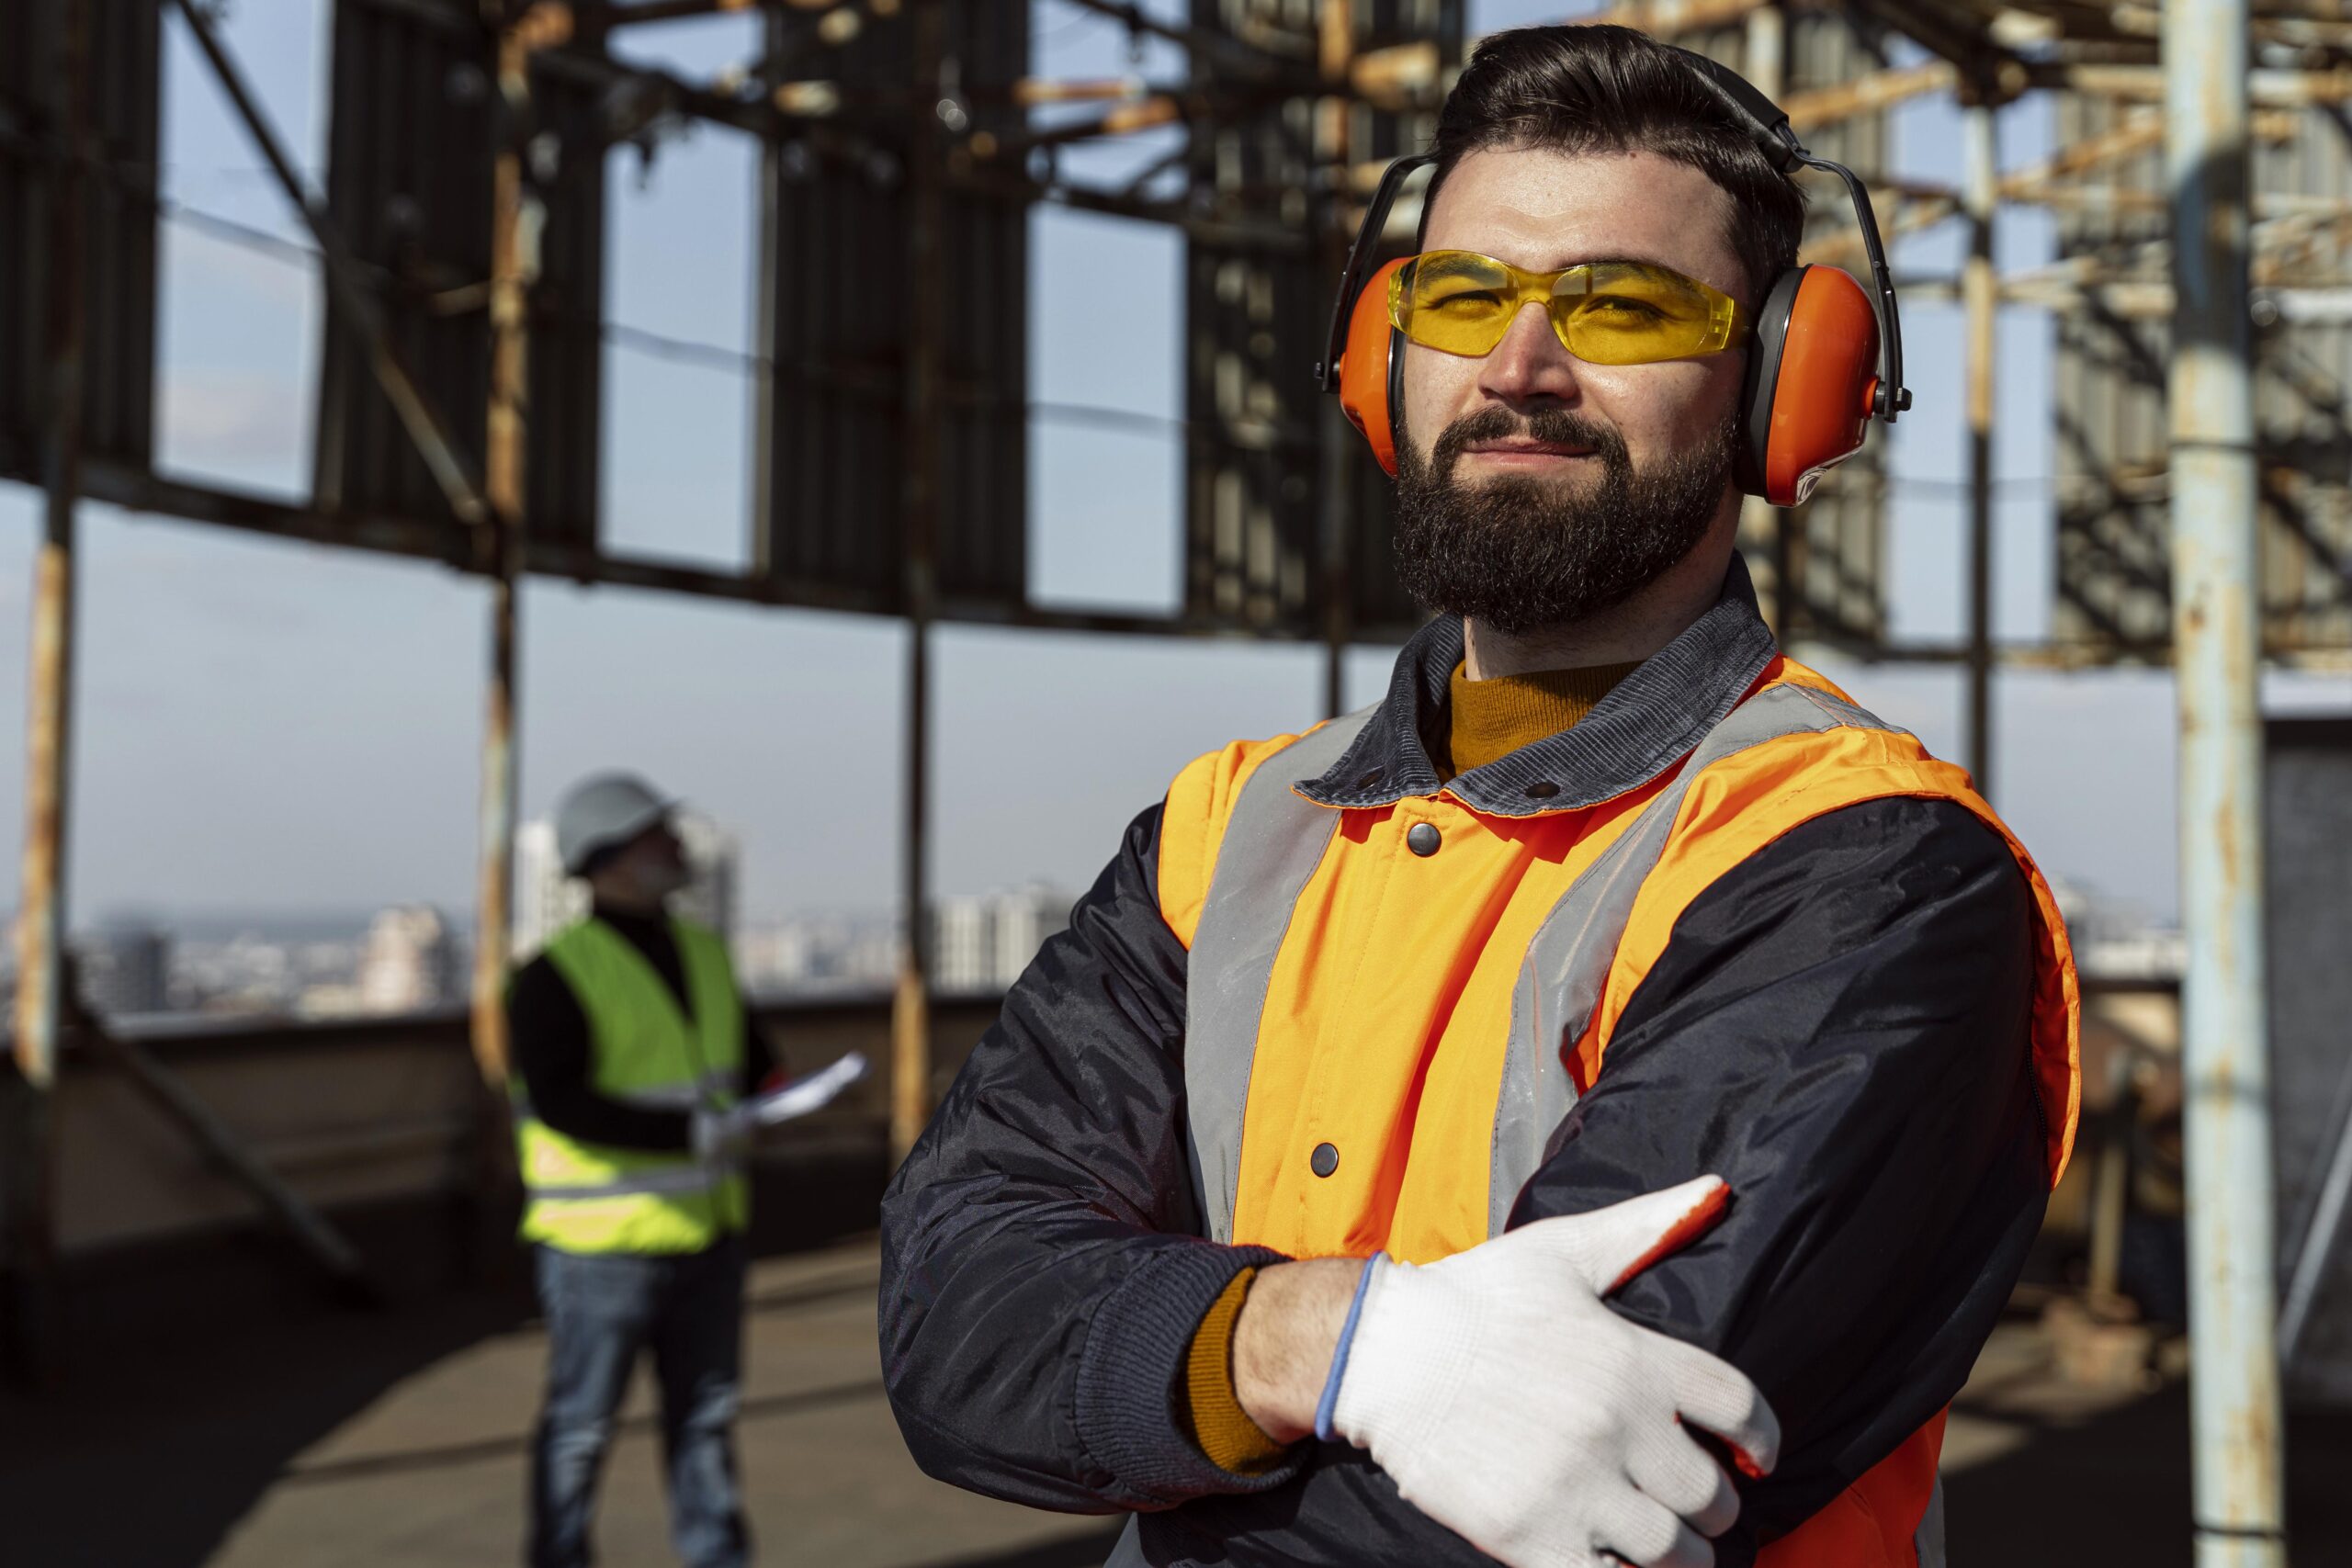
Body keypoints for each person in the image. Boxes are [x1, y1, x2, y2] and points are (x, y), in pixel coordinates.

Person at [878, 25, 2079, 1568]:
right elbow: (954, 1317)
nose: (1520, 369)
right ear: (1388, 357)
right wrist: (1318, 1340)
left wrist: (1159, 1375)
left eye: (1624, 305)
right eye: (1464, 300)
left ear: (1786, 381)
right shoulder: (1227, 828)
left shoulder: (1863, 868)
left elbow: (1572, 1490)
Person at [510, 773, 779, 1568]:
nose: (676, 844)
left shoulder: (704, 952)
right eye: (654, 834)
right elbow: (562, 1105)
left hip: (708, 1231)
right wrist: (696, 1130)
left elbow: (754, 1061)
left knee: (704, 1420)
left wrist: (781, 1094)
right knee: (581, 1428)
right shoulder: (553, 974)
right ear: (604, 859)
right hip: (603, 1246)